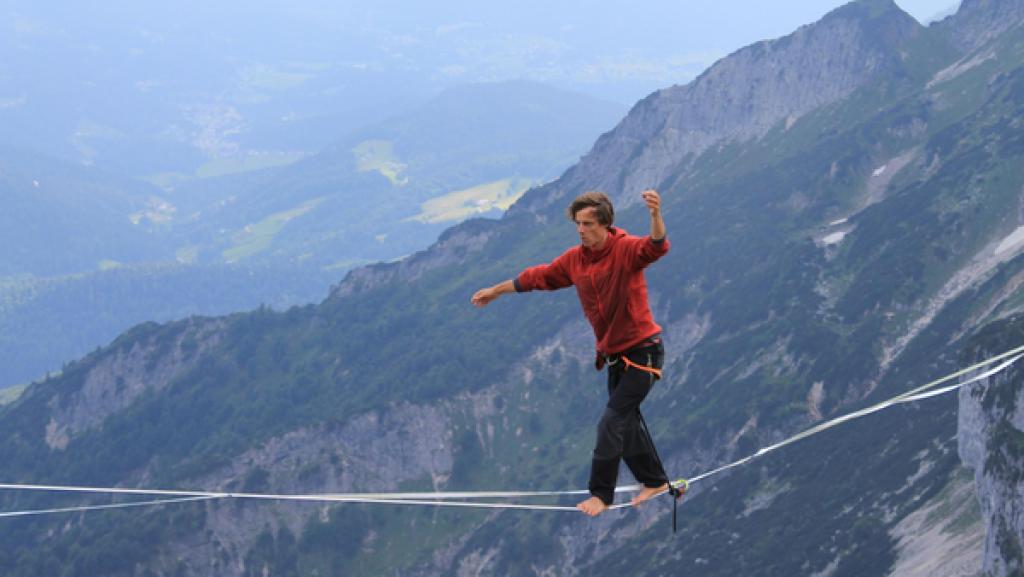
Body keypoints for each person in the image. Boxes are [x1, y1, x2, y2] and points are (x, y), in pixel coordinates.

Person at [471, 189, 671, 517]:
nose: (581, 230)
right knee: (626, 421)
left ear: (606, 224)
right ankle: (654, 480)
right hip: (615, 357)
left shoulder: (624, 250)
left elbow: (656, 247)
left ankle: (601, 495)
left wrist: (654, 216)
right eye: (578, 223)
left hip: (644, 352)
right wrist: (496, 291)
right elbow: (540, 276)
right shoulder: (576, 260)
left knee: (612, 421)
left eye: (588, 224)